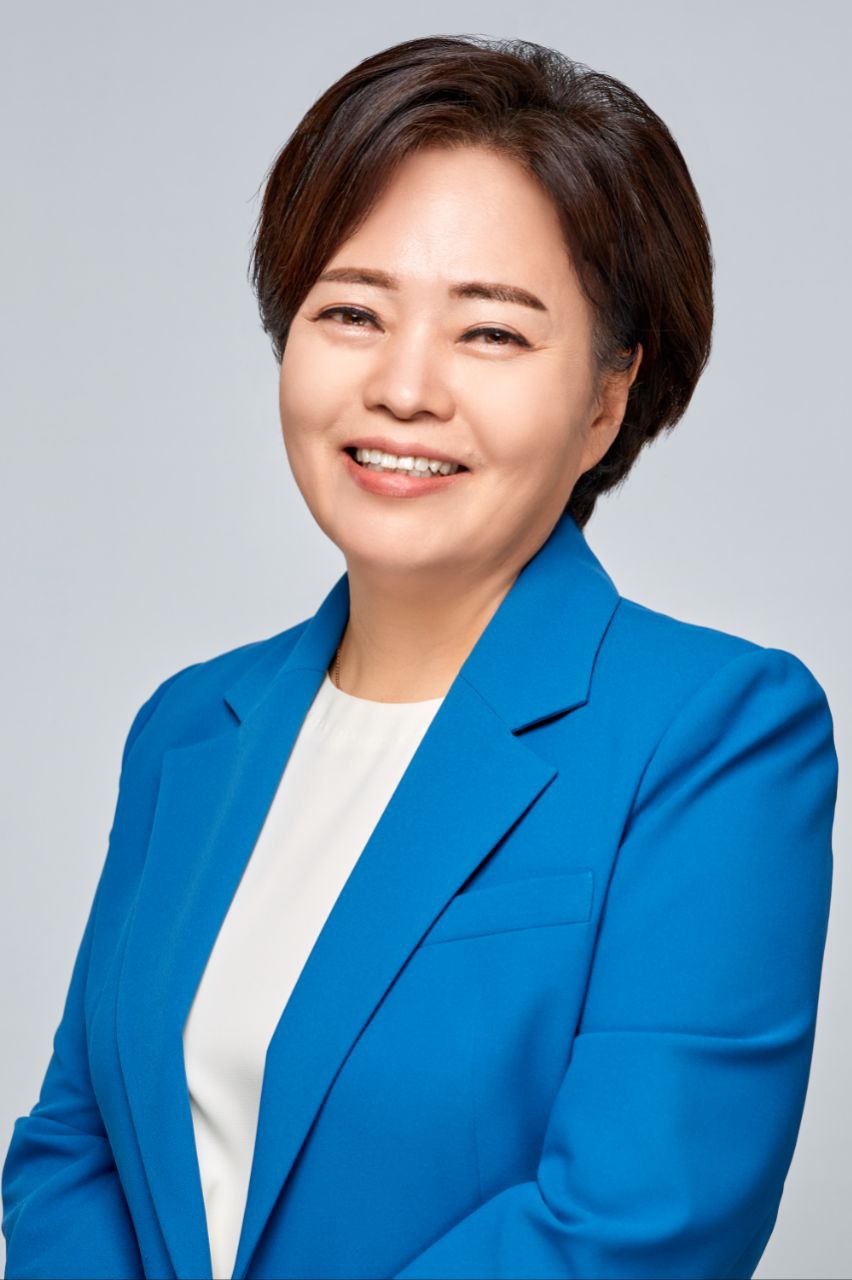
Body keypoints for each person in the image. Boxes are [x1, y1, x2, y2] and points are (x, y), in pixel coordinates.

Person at [2, 33, 838, 1280]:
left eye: (490, 333)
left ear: (606, 399)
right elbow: (78, 1147)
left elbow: (632, 1224)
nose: (402, 387)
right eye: (352, 311)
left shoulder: (713, 732)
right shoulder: (188, 725)